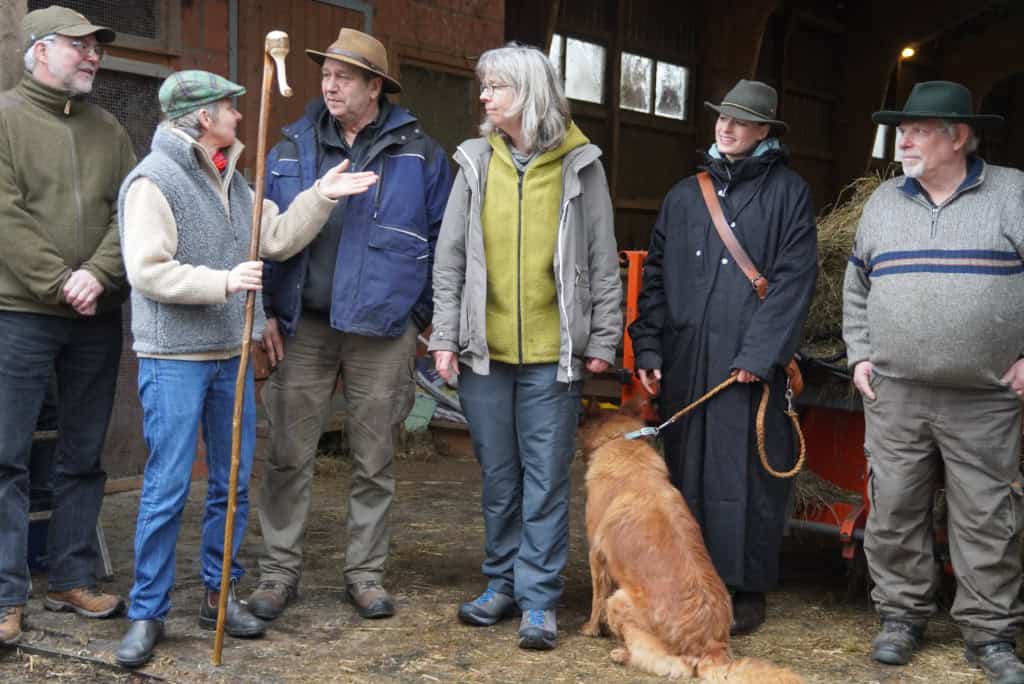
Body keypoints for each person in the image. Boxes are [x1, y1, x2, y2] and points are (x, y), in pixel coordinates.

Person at [114, 70, 379, 668]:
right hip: (175, 357)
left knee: (231, 485)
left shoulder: (235, 182)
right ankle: (147, 611)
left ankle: (219, 594)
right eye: (230, 108)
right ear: (204, 117)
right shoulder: (152, 183)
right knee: (167, 486)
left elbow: (278, 237)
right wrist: (224, 282)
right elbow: (147, 270)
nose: (238, 115)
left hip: (230, 355)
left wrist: (321, 195)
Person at [248, 28, 452, 622]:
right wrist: (266, 314)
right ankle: (278, 573)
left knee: (374, 458)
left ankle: (365, 574)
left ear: (375, 87)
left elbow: (444, 240)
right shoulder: (288, 147)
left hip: (382, 333)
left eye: (344, 77)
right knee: (288, 454)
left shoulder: (420, 154)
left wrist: (420, 317)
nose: (330, 86)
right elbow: (260, 233)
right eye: (326, 75)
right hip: (303, 325)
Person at [428, 43, 622, 651]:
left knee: (545, 479)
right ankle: (502, 583)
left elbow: (601, 256)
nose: (483, 98)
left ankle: (539, 599)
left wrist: (605, 337)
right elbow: (450, 257)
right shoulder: (474, 162)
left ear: (529, 93)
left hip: (553, 354)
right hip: (485, 352)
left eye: (496, 88)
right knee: (500, 476)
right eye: (483, 86)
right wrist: (444, 336)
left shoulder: (580, 164)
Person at [843, 80, 1024, 684]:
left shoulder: (1015, 194)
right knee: (893, 509)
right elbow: (856, 288)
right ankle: (900, 617)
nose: (905, 140)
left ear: (961, 137)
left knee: (987, 516)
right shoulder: (882, 204)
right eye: (902, 130)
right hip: (894, 392)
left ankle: (990, 633)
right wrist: (860, 356)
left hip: (986, 395)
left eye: (919, 130)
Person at [628, 79, 818, 636]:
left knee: (748, 479)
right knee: (686, 473)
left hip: (748, 363)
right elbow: (656, 277)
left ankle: (745, 586)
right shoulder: (686, 195)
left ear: (765, 132)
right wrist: (649, 344)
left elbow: (793, 280)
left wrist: (760, 355)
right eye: (721, 118)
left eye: (740, 121)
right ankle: (687, 580)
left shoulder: (789, 193)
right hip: (687, 359)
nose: (726, 128)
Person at [0, 5, 135, 646]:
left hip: (96, 315)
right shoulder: (2, 120)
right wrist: (59, 281)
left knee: (83, 454)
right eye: (79, 46)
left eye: (97, 48)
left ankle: (72, 574)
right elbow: (5, 218)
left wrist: (99, 276)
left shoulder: (109, 128)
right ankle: (5, 593)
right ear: (39, 49)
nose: (93, 56)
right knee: (6, 458)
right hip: (20, 312)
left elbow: (131, 214)